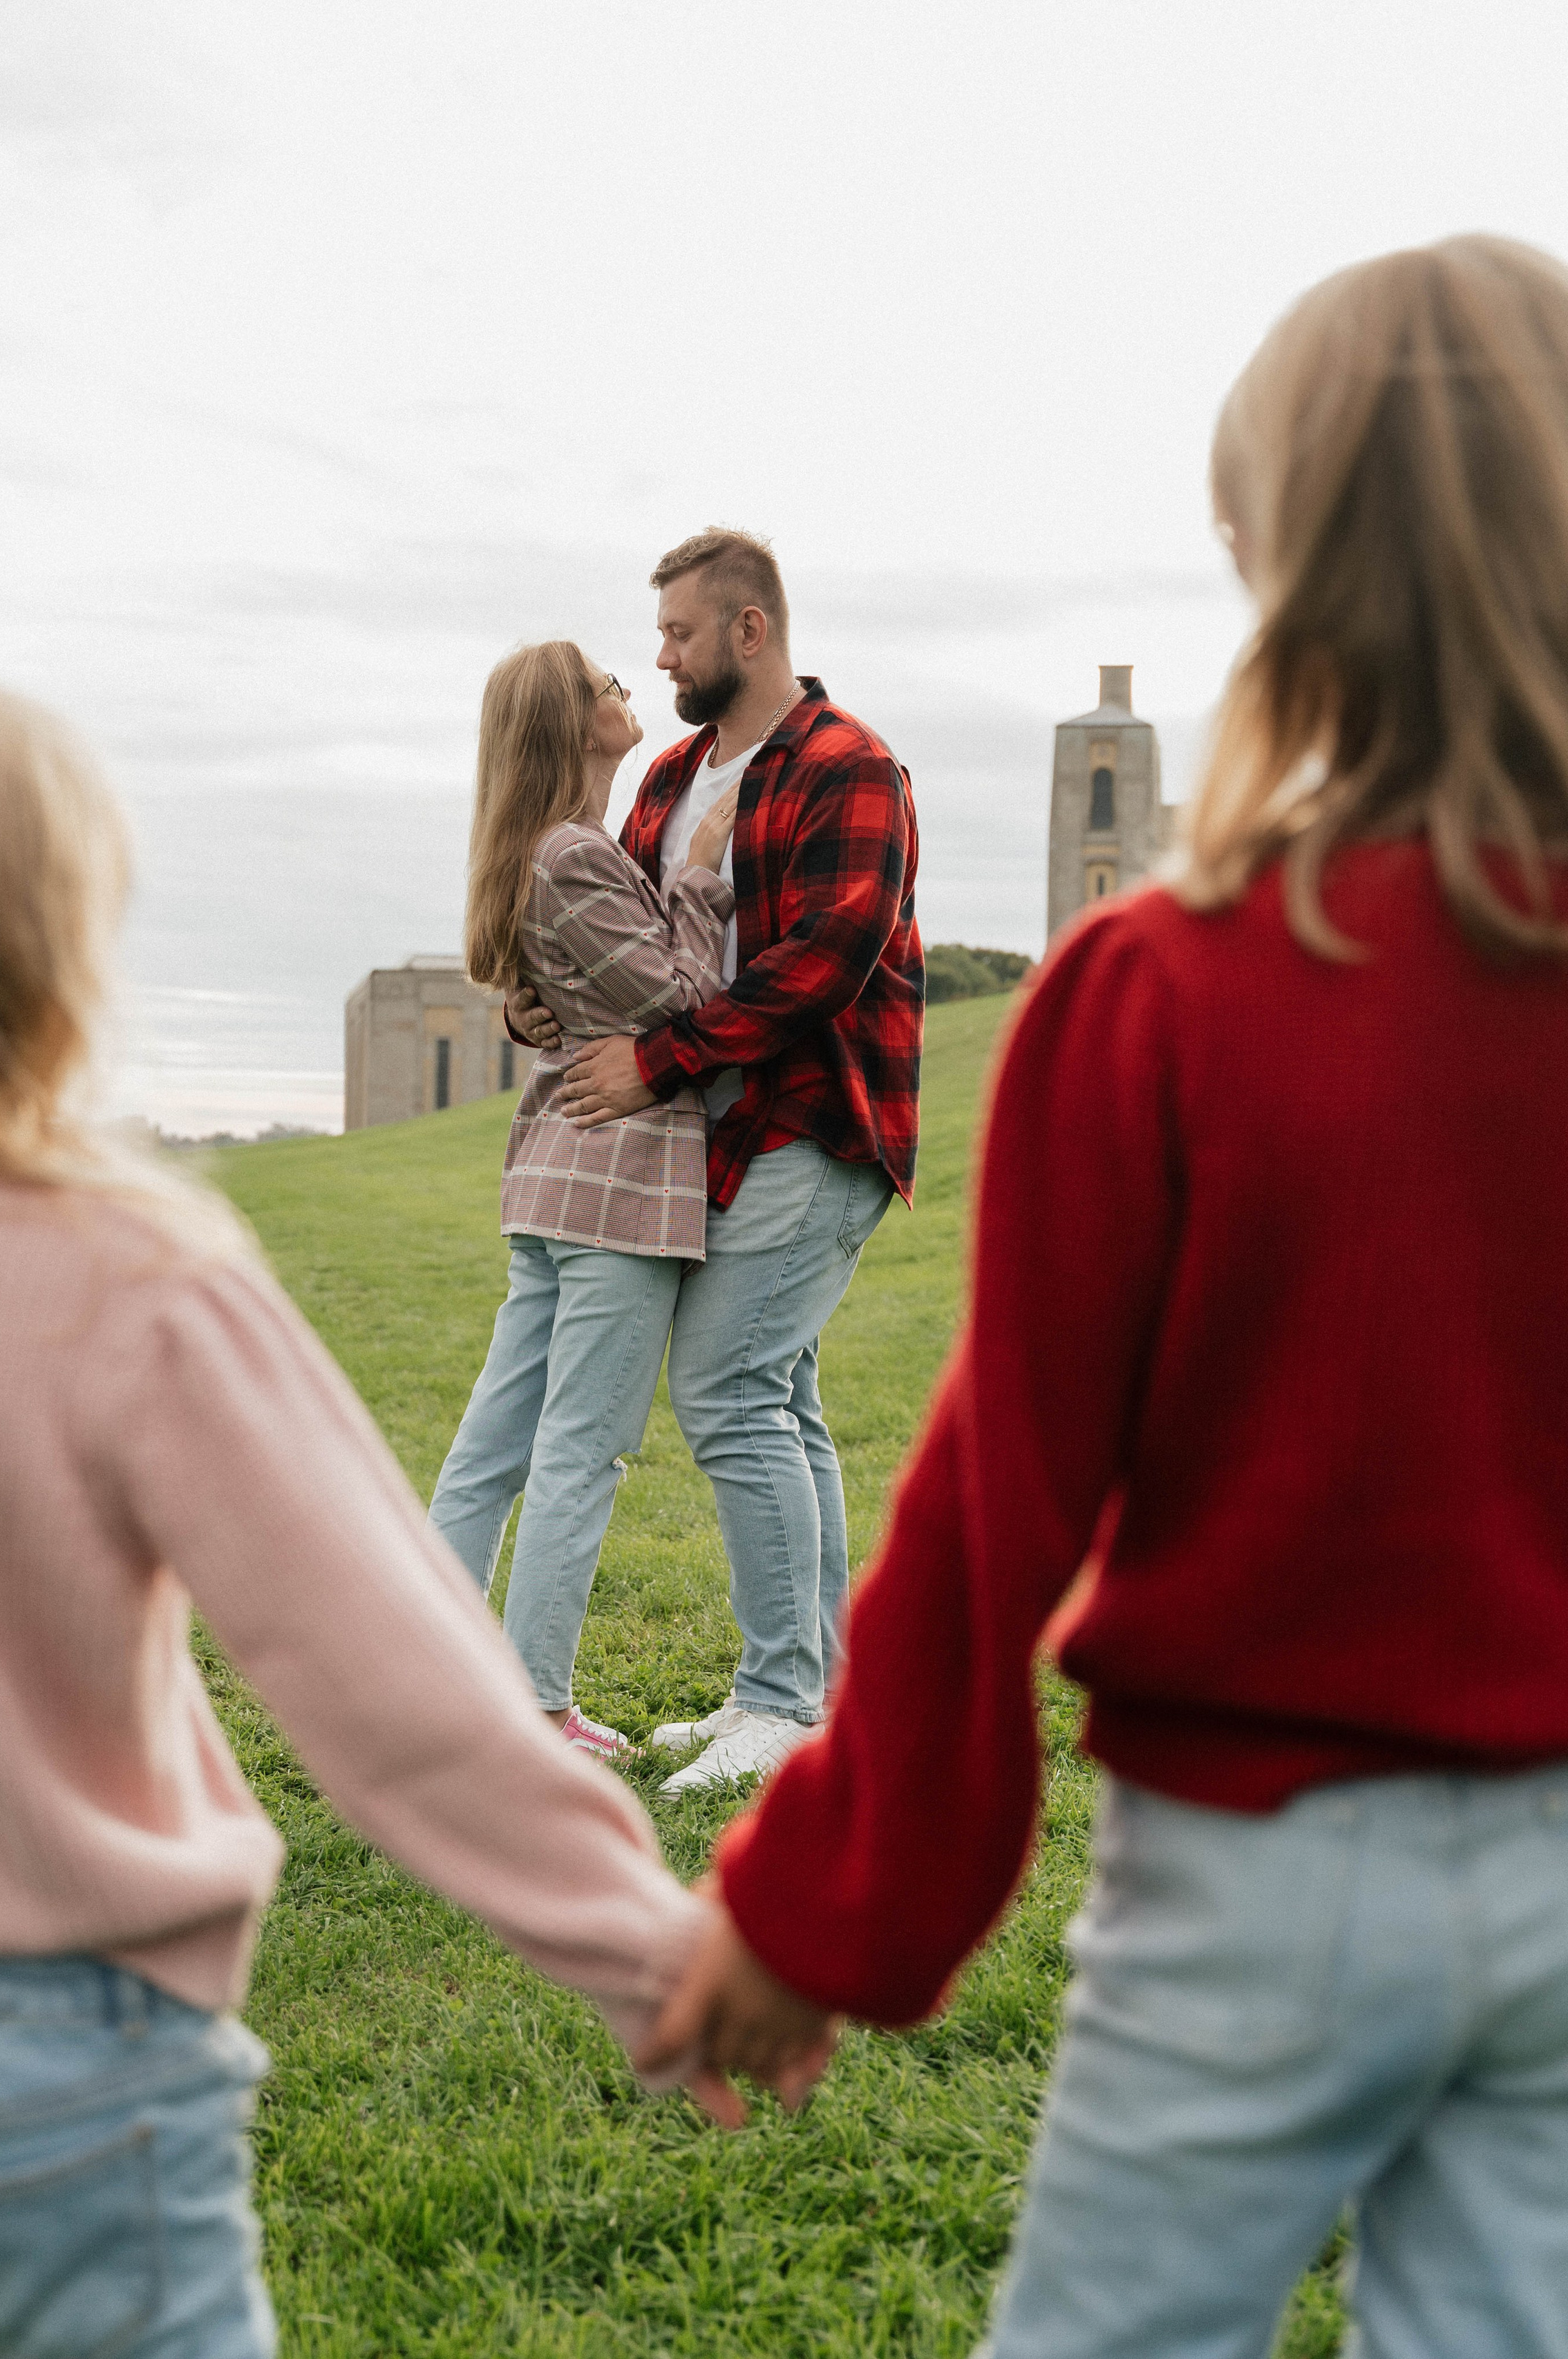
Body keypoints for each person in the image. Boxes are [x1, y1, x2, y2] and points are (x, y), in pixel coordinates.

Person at [641, 236, 1568, 2354]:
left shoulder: (1162, 984)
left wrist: (824, 1901)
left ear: (1275, 565)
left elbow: (997, 1510)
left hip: (1258, 1872)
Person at [0, 668, 742, 2359]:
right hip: (60, 2085)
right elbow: (389, 1680)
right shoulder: (124, 1273)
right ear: (37, 928)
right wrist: (649, 1948)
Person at [524, 529, 923, 1797]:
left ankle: (781, 1700)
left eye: (680, 634)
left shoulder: (852, 766)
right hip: (715, 1130)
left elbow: (825, 963)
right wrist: (547, 1003)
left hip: (815, 1117)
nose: (659, 658)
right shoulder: (670, 778)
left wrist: (659, 1060)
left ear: (750, 631)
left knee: (730, 1386)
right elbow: (630, 940)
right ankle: (812, 1690)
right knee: (781, 1397)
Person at [427, 640, 740, 1755]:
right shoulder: (573, 854)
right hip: (616, 1187)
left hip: (559, 1185)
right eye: (606, 684)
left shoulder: (549, 850)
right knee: (576, 1450)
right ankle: (533, 1707)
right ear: (570, 723)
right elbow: (682, 1002)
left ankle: (432, 1681)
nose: (626, 689)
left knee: (497, 1445)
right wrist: (700, 873)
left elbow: (585, 996)